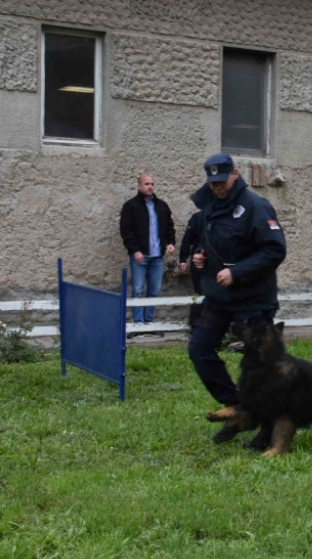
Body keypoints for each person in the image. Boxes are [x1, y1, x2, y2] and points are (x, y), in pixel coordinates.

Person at [187, 153, 287, 446]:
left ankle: (270, 425)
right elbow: (209, 240)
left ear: (234, 174)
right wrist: (200, 257)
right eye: (212, 182)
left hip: (254, 298)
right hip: (219, 297)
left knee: (260, 365)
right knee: (199, 349)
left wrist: (238, 272)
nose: (217, 187)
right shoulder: (210, 205)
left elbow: (274, 250)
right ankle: (241, 408)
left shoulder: (256, 206)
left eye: (221, 181)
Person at [119, 173, 176, 324]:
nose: (150, 186)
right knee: (137, 290)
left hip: (157, 256)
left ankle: (149, 321)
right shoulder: (130, 206)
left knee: (154, 290)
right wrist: (135, 250)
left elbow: (169, 227)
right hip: (140, 256)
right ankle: (138, 323)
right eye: (146, 184)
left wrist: (170, 242)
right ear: (139, 186)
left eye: (152, 184)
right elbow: (126, 230)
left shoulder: (161, 206)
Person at [178, 208, 205, 296]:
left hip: (219, 264)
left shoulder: (225, 219)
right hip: (200, 263)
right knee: (199, 293)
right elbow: (187, 240)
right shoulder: (197, 218)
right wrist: (183, 259)